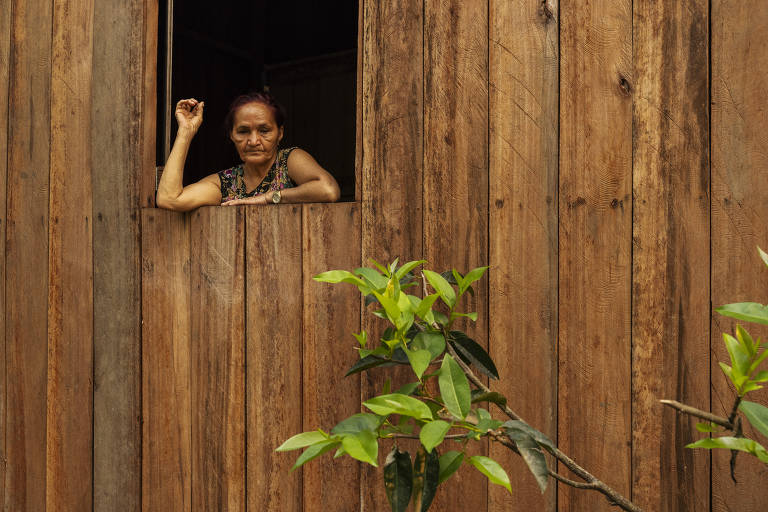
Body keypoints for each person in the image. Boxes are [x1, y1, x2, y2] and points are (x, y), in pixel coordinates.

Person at [156, 92, 340, 211]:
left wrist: (268, 198)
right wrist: (186, 132)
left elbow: (328, 190)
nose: (253, 141)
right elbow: (169, 199)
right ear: (231, 135)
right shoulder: (226, 184)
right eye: (243, 131)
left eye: (264, 131)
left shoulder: (289, 160)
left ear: (280, 133)